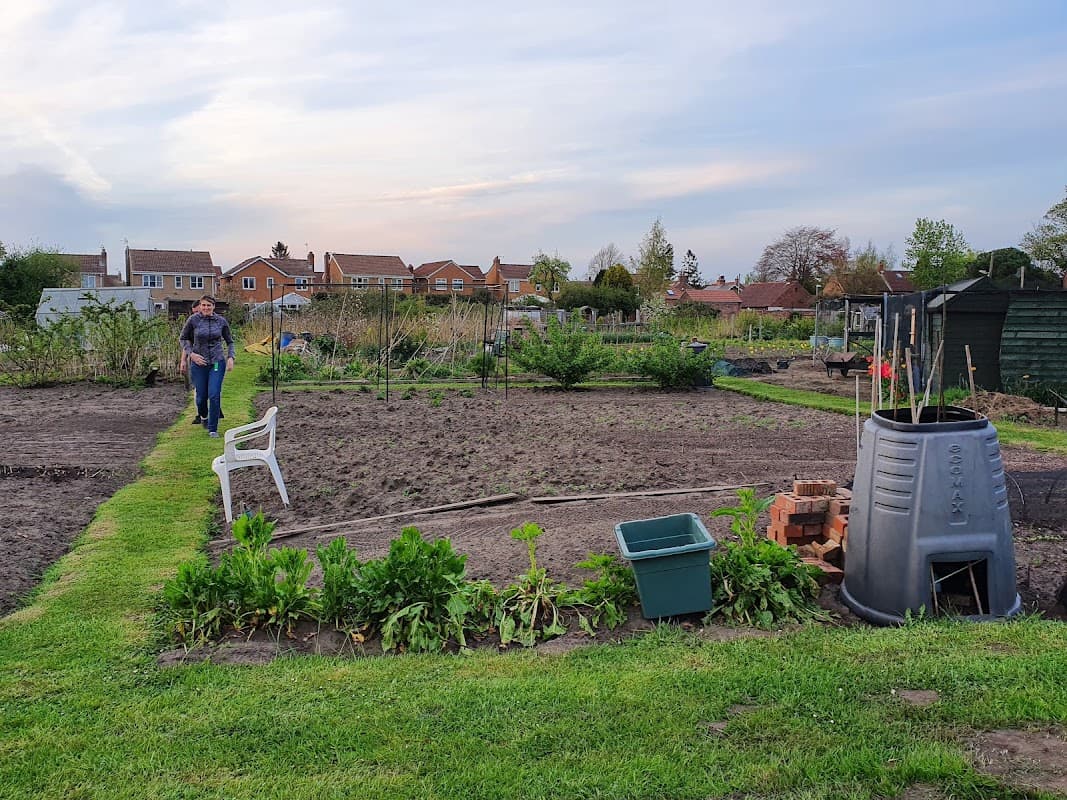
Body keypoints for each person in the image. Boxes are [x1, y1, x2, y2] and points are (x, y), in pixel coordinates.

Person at [179, 295, 235, 438]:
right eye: (203, 305)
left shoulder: (221, 321)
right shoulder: (193, 320)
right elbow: (183, 338)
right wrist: (191, 355)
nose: (206, 308)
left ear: (213, 307)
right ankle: (203, 416)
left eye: (208, 306)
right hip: (198, 363)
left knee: (214, 395)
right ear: (200, 306)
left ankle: (213, 429)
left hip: (216, 362)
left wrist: (230, 357)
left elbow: (230, 341)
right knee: (201, 397)